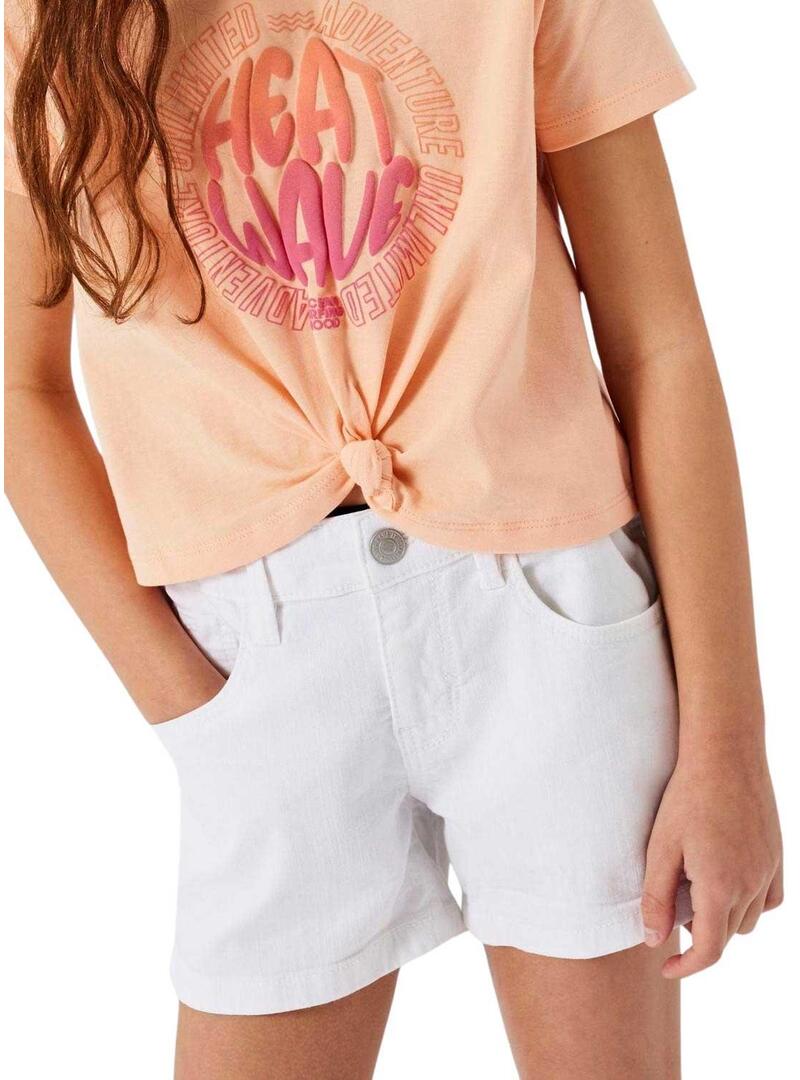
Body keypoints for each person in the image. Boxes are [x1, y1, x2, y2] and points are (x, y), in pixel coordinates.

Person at [4, 0, 783, 1076]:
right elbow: (23, 393)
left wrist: (728, 745)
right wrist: (189, 703)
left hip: (548, 622)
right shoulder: (45, 19)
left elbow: (659, 341)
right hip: (259, 652)